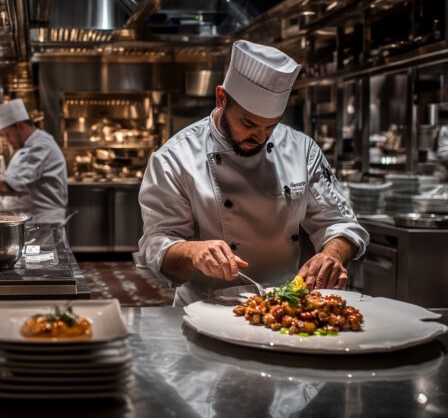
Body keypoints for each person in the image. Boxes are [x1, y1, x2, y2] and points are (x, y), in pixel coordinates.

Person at [136, 40, 370, 306]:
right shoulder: (175, 158)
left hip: (286, 305)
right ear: (221, 99)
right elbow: (156, 244)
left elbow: (341, 224)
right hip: (205, 308)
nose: (260, 136)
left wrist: (332, 255)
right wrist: (192, 251)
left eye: (271, 126)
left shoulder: (302, 150)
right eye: (248, 123)